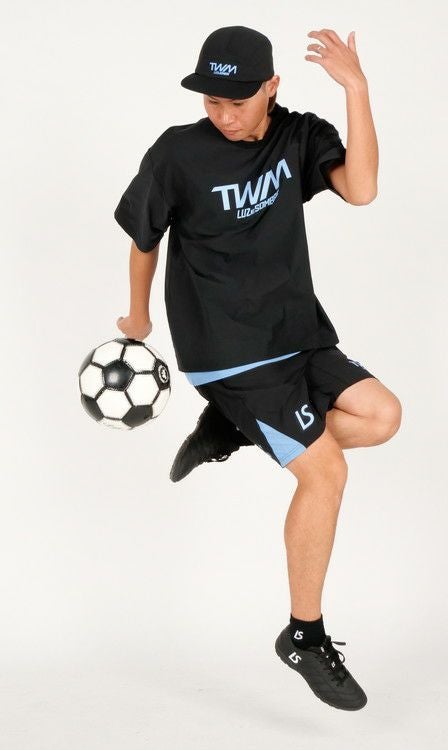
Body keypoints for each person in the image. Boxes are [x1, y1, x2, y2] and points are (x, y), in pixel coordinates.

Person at [114, 25, 402, 712]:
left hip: (296, 332)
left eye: (238, 101)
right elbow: (144, 237)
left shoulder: (298, 137)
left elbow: (361, 189)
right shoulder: (178, 153)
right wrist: (139, 318)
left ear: (271, 86)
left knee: (382, 416)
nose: (224, 115)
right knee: (325, 472)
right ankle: (304, 635)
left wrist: (357, 88)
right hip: (228, 348)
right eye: (212, 101)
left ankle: (236, 429)